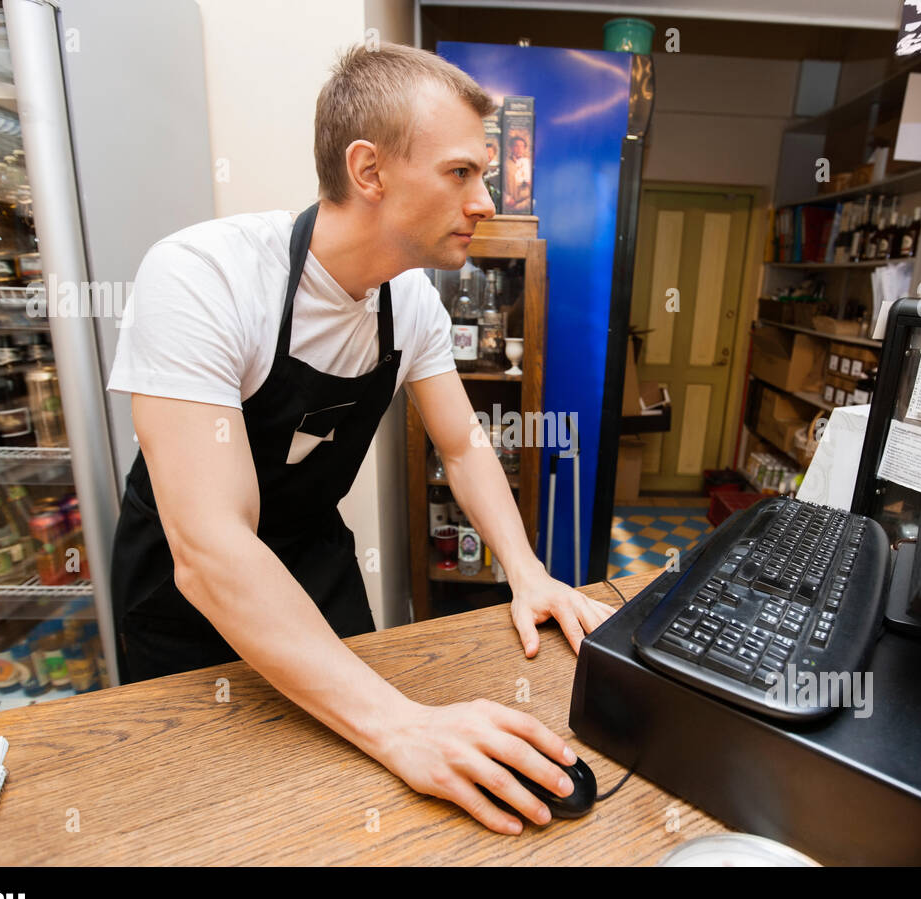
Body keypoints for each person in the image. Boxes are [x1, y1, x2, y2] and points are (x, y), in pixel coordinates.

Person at [105, 42, 615, 835]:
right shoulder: (203, 277)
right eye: (461, 173)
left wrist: (527, 573)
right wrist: (404, 725)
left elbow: (463, 446)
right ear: (369, 171)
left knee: (360, 806)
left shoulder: (408, 302)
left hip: (312, 558)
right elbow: (208, 547)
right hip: (186, 592)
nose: (486, 200)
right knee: (217, 818)